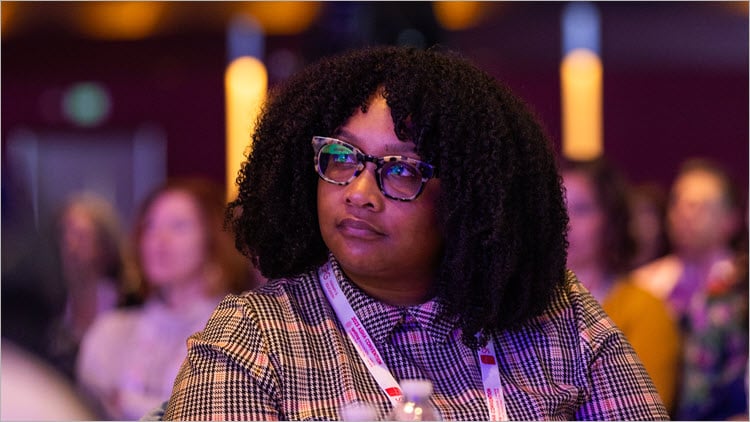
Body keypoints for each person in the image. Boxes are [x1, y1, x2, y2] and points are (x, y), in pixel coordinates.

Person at [163, 46, 668, 420]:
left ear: (472, 198)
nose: (359, 192)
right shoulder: (255, 337)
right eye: (341, 158)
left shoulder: (559, 318)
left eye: (400, 169)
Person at [76, 177, 262, 420]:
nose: (159, 239)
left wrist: (127, 403)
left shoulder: (239, 331)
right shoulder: (111, 332)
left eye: (178, 226)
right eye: (150, 226)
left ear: (212, 238)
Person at [561, 157, 680, 413]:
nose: (565, 222)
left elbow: (643, 411)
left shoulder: (645, 308)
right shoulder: (529, 307)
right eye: (556, 208)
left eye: (581, 209)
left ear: (612, 220)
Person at [633, 158, 749, 420]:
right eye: (678, 203)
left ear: (730, 219)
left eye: (698, 206)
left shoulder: (742, 287)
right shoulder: (645, 285)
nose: (684, 213)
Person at [49, 192, 139, 379]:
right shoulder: (48, 304)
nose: (70, 245)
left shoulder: (132, 302)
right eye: (63, 235)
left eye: (81, 236)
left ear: (105, 245)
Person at [628, 182, 670, 269]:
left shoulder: (672, 269)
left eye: (646, 212)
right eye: (634, 213)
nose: (639, 220)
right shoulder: (617, 269)